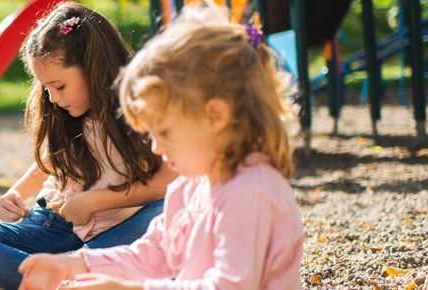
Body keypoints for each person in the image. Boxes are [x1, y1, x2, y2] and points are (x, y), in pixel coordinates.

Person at [16, 3, 305, 289]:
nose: (156, 148)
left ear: (215, 117)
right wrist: (77, 264)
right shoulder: (190, 187)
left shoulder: (249, 191)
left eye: (164, 132)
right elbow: (155, 253)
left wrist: (132, 289)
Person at [0, 3, 177, 289]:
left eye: (59, 86)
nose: (52, 98)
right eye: (46, 87)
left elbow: (168, 183)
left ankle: (42, 275)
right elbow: (52, 158)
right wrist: (16, 193)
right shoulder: (63, 112)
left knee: (168, 212)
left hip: (119, 229)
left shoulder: (144, 105)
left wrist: (94, 202)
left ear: (93, 67)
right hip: (52, 227)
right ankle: (67, 279)